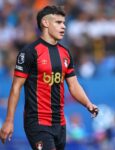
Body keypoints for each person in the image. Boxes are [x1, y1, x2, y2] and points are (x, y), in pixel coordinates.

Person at [0, 5, 99, 150]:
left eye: (64, 23)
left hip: (60, 123)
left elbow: (73, 85)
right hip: (37, 122)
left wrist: (88, 103)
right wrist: (9, 121)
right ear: (45, 23)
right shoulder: (29, 52)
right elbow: (16, 87)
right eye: (58, 22)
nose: (63, 27)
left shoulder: (65, 53)